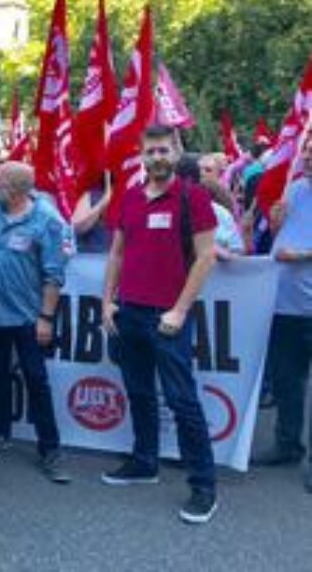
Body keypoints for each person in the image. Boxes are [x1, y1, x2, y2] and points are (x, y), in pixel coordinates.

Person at [101, 125, 219, 525]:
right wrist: (106, 302)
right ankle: (144, 461)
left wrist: (180, 310)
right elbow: (116, 254)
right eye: (150, 152)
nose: (157, 158)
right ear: (141, 155)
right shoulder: (131, 197)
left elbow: (206, 258)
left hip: (167, 317)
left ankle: (204, 486)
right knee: (138, 392)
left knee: (182, 400)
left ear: (177, 150)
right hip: (128, 313)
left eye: (164, 150)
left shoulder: (194, 197)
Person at [0, 162, 71, 483]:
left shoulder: (46, 221)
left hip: (29, 317)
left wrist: (46, 317)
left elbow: (54, 275)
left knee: (36, 379)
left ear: (16, 187)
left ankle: (50, 449)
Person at [251, 136, 312, 493]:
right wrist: (271, 224)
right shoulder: (295, 187)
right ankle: (287, 444)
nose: (306, 154)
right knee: (288, 381)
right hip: (286, 304)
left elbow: (297, 246)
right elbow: (277, 236)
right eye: (306, 148)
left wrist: (302, 256)